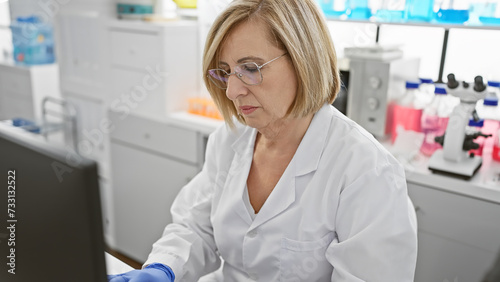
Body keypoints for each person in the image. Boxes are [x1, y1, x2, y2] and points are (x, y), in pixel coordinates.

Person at [108, 0, 418, 281]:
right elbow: (197, 226)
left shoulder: (367, 171)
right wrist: (162, 269)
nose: (231, 92)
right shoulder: (230, 140)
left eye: (250, 68)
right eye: (226, 72)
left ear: (303, 60)